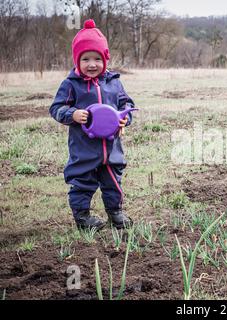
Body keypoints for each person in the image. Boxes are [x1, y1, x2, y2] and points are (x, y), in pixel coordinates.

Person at [49, 19, 134, 230]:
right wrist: (73, 114)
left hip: (111, 149)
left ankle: (116, 213)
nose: (92, 64)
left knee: (113, 183)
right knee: (82, 183)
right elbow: (56, 108)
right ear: (77, 61)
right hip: (84, 149)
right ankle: (83, 217)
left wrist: (125, 119)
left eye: (97, 58)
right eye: (85, 59)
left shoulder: (114, 82)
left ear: (105, 59)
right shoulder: (71, 85)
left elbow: (127, 105)